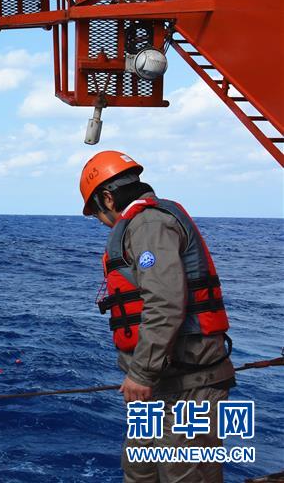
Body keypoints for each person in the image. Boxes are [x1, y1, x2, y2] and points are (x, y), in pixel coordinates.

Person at [80, 150, 235, 483]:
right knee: (140, 470)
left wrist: (141, 373)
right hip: (161, 385)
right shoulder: (142, 224)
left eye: (97, 213)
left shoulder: (149, 224)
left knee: (184, 474)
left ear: (107, 198)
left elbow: (165, 302)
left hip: (188, 386)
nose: (101, 221)